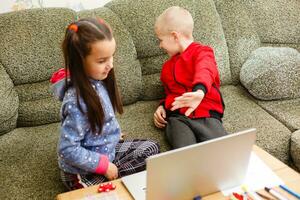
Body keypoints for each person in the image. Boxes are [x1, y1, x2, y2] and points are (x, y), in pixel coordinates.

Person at [51, 18, 160, 190]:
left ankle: (111, 177)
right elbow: (67, 149)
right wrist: (104, 167)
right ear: (79, 61)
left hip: (105, 150)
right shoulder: (76, 103)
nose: (110, 65)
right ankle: (104, 181)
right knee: (94, 192)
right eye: (102, 61)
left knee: (151, 149)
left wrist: (109, 134)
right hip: (80, 172)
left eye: (111, 57)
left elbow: (100, 118)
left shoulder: (97, 79)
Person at [153, 6, 227, 149]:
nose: (160, 45)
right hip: (178, 118)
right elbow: (171, 93)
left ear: (175, 36)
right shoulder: (167, 68)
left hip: (206, 114)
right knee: (184, 151)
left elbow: (205, 69)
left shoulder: (203, 52)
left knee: (223, 150)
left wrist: (199, 92)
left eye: (160, 40)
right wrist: (162, 106)